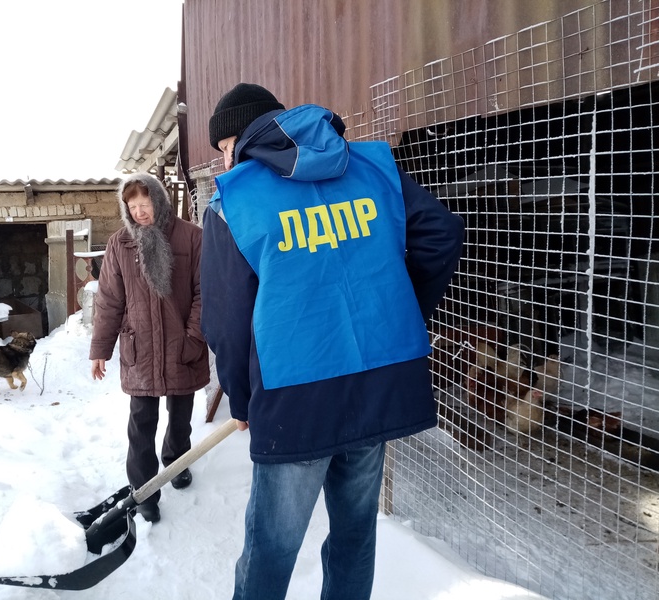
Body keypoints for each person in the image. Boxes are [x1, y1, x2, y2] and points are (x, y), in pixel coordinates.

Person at [200, 83, 465, 600]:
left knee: (272, 546)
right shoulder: (373, 168)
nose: (223, 160)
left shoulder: (234, 199)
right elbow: (442, 234)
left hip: (295, 398)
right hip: (376, 386)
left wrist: (241, 394)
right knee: (354, 532)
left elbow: (227, 321)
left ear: (242, 136)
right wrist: (398, 311)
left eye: (223, 147)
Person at [90, 172, 209, 524]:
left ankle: (177, 461)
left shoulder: (192, 237)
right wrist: (100, 349)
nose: (140, 212)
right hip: (140, 347)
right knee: (141, 421)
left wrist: (193, 336)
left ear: (158, 200)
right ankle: (143, 490)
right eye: (133, 206)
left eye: (145, 204)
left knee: (180, 416)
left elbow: (206, 292)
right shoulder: (120, 244)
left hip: (182, 344)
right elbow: (109, 300)